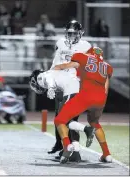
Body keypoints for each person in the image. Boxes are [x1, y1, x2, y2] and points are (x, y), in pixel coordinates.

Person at [52, 46, 113, 164]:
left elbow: (68, 66)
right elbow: (106, 88)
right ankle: (107, 154)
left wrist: (56, 68)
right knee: (95, 122)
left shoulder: (82, 57)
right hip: (101, 98)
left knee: (60, 120)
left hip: (86, 95)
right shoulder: (107, 66)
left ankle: (66, 145)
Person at [29, 69, 95, 162]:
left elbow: (48, 78)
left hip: (73, 92)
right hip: (83, 91)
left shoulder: (42, 76)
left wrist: (51, 87)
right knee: (70, 121)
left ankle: (86, 131)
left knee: (59, 121)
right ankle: (76, 153)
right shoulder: (58, 72)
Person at [48, 20, 92, 157]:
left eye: (74, 33)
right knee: (60, 116)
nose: (72, 36)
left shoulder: (86, 46)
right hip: (61, 83)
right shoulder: (61, 43)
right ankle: (66, 147)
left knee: (67, 118)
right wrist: (51, 81)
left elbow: (89, 68)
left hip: (75, 85)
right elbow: (55, 62)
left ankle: (71, 148)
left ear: (80, 33)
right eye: (69, 33)